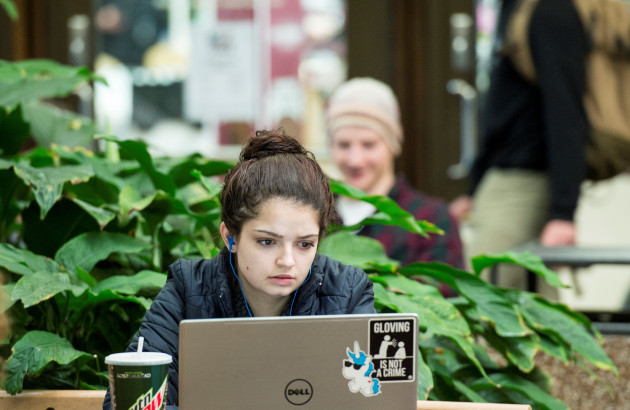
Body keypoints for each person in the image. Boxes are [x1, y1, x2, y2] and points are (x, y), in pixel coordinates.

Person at [102, 130, 376, 409]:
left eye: (305, 244)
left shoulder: (347, 292)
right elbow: (127, 403)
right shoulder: (188, 290)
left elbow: (374, 399)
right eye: (267, 241)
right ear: (230, 237)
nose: (287, 260)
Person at [449, 0, 590, 289]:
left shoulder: (551, 11)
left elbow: (567, 112)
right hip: (504, 177)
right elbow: (503, 113)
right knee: (527, 307)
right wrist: (475, 187)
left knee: (478, 299)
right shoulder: (514, 8)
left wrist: (563, 213)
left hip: (525, 183)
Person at [327, 77, 464, 269]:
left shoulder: (430, 218)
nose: (355, 160)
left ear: (393, 144)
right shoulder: (317, 214)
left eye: (369, 145)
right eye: (343, 145)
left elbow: (440, 292)